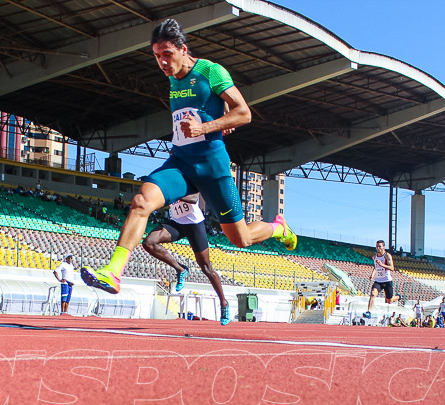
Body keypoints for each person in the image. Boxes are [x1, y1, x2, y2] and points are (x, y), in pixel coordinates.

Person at [80, 18, 297, 295]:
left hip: (212, 167)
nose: (162, 62)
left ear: (183, 49)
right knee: (141, 202)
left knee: (240, 238)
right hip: (181, 163)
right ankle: (113, 272)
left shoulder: (211, 71)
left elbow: (244, 112)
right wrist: (217, 120)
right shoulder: (172, 79)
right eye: (157, 56)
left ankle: (278, 227)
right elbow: (208, 111)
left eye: (167, 54)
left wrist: (206, 127)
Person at [142, 192, 233, 324]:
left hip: (194, 225)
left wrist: (173, 196)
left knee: (207, 268)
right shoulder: (167, 183)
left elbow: (193, 198)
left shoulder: (188, 181)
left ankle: (224, 303)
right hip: (176, 223)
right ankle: (180, 269)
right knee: (148, 243)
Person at [363, 240, 402, 319]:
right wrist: (372, 274)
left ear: (384, 247)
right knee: (373, 294)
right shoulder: (375, 256)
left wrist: (382, 264)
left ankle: (398, 297)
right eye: (377, 246)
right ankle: (369, 312)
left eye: (380, 246)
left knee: (389, 301)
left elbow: (392, 268)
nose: (378, 248)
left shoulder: (387, 256)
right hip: (378, 280)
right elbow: (376, 267)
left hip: (387, 281)